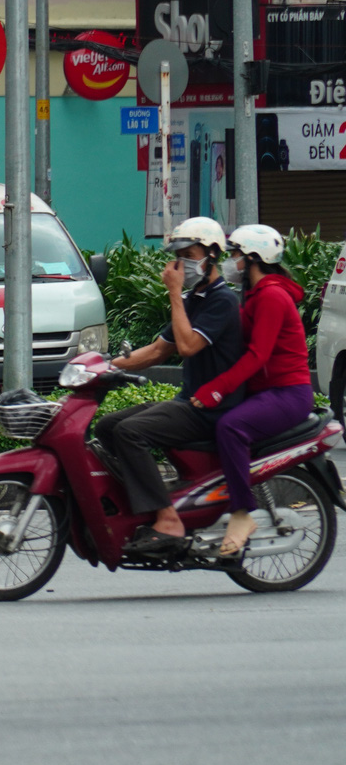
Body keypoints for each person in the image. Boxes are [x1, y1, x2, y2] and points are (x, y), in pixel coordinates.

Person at [93, 218, 245, 553]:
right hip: (188, 402)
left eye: (189, 255)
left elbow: (188, 346)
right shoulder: (194, 299)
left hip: (211, 409)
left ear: (212, 255)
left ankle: (168, 519)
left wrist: (174, 293)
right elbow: (159, 350)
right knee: (107, 427)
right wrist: (99, 367)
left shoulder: (222, 301)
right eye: (178, 257)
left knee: (130, 432)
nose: (181, 265)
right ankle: (142, 504)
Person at [191, 224, 315, 558]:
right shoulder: (256, 295)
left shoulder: (272, 297)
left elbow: (257, 354)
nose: (231, 261)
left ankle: (242, 514)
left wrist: (216, 389)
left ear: (252, 259)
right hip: (266, 392)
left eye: (235, 255)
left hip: (287, 394)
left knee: (230, 427)